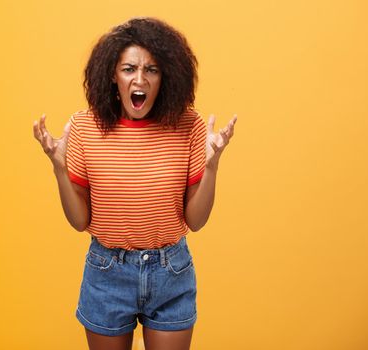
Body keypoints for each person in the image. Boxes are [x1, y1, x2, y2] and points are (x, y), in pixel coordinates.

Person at [33, 17, 237, 350]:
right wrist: (59, 168)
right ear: (112, 76)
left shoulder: (188, 125)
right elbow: (79, 221)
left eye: (151, 70)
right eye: (128, 69)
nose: (139, 79)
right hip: (107, 271)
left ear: (165, 77)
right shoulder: (86, 128)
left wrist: (212, 166)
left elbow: (196, 221)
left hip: (171, 271)